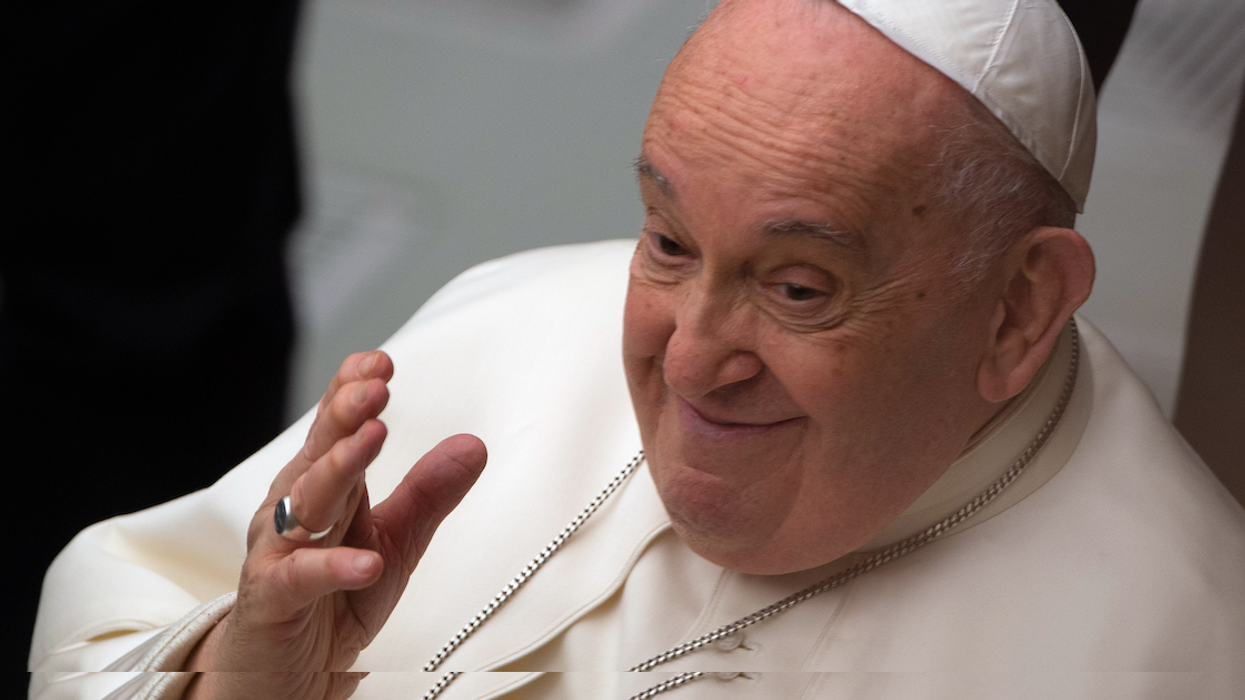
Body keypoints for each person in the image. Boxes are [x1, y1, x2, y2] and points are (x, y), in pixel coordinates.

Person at [31, 0, 1245, 698]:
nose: (689, 359)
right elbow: (105, 620)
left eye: (798, 285)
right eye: (667, 237)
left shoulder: (1177, 645)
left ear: (1019, 310)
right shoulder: (512, 322)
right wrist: (232, 679)